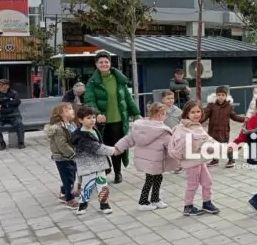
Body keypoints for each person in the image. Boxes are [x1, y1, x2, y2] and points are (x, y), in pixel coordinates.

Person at [84, 51, 141, 184]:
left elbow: (128, 98)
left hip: (118, 120)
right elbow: (89, 100)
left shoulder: (118, 79)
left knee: (117, 148)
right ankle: (105, 170)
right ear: (96, 64)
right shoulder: (92, 82)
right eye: (101, 62)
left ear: (110, 63)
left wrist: (136, 113)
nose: (104, 64)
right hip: (101, 123)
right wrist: (97, 113)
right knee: (102, 148)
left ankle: (118, 173)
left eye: (106, 62)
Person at [114, 103, 178, 211]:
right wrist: (181, 156)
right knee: (151, 180)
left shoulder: (140, 127)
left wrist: (118, 147)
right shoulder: (163, 131)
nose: (165, 116)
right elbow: (171, 146)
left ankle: (155, 199)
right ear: (159, 115)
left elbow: (128, 139)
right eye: (165, 114)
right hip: (155, 161)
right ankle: (142, 202)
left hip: (146, 161)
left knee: (155, 178)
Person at [169, 101, 221, 216]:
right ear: (186, 114)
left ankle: (207, 203)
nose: (196, 114)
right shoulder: (184, 128)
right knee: (193, 184)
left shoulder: (196, 125)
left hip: (199, 160)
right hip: (191, 162)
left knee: (207, 181)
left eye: (198, 111)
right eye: (192, 112)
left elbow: (208, 139)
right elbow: (199, 143)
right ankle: (188, 206)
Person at [71, 105, 117, 216]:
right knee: (88, 185)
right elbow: (98, 147)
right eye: (88, 118)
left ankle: (104, 204)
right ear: (80, 120)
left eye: (93, 117)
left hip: (99, 164)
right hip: (88, 166)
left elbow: (98, 140)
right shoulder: (81, 136)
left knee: (103, 185)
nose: (92, 120)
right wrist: (115, 150)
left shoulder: (93, 129)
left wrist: (101, 125)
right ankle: (82, 205)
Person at [45, 102, 78, 209]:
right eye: (69, 109)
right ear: (61, 114)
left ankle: (64, 193)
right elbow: (62, 145)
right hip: (63, 158)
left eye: (72, 109)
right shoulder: (59, 129)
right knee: (69, 178)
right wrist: (73, 154)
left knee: (71, 176)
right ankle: (70, 199)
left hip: (70, 156)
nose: (72, 111)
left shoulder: (71, 125)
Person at [202, 86, 245, 168]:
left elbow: (234, 116)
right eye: (219, 95)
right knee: (214, 146)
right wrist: (198, 121)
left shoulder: (229, 106)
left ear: (226, 96)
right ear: (216, 96)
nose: (221, 97)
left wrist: (245, 119)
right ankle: (215, 160)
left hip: (224, 131)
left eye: (223, 95)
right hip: (213, 130)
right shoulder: (211, 105)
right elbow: (205, 116)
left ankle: (231, 160)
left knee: (225, 146)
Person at [0, 79, 25, 150]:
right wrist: (8, 99)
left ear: (7, 86)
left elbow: (17, 102)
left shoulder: (13, 93)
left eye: (1, 85)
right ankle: (1, 143)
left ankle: (21, 142)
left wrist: (2, 103)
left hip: (13, 115)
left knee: (19, 124)